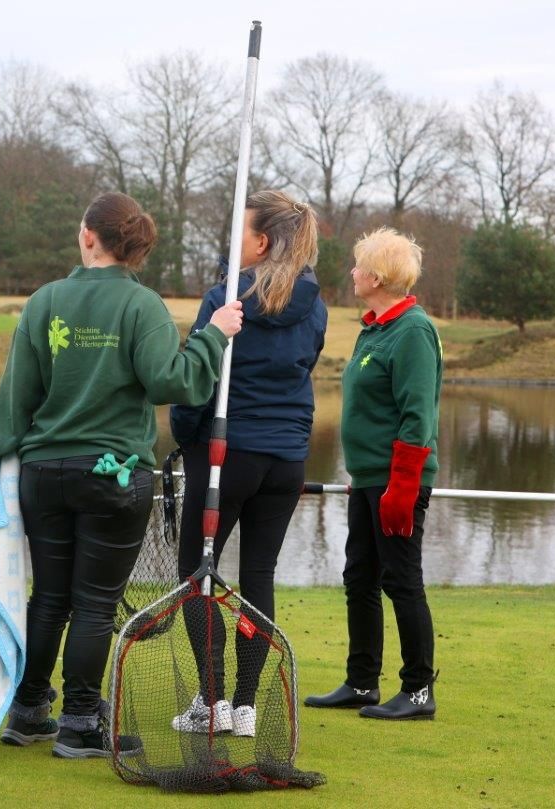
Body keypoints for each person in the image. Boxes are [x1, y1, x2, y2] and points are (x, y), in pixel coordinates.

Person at [0, 191, 245, 758]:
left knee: (50, 597)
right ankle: (78, 722)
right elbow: (173, 382)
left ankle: (29, 711)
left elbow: (15, 396)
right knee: (94, 604)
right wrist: (214, 335)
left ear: (88, 236)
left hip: (44, 474)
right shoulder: (143, 306)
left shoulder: (45, 300)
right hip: (113, 477)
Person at [168, 190, 327, 737]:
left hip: (228, 454)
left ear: (261, 242)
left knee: (197, 574)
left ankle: (213, 702)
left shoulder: (225, 299)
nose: (232, 240)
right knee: (259, 574)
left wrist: (184, 437)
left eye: (241, 231)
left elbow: (196, 379)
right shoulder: (316, 305)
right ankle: (244, 707)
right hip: (287, 459)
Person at [304, 226, 443, 720]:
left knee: (400, 579)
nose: (353, 272)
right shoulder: (375, 329)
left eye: (360, 265)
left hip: (396, 480)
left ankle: (418, 690)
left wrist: (402, 486)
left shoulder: (413, 331)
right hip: (366, 478)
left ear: (378, 277)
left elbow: (417, 415)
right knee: (359, 577)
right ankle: (362, 681)